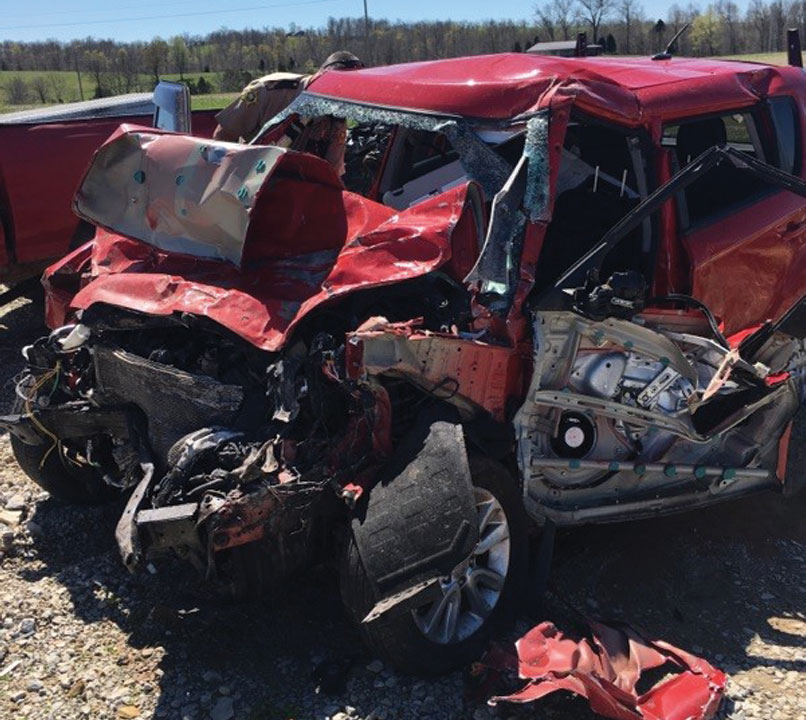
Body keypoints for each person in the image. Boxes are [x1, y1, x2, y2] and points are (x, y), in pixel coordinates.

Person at [213, 51, 363, 143]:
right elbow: (223, 136)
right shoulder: (268, 90)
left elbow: (333, 167)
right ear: (320, 77)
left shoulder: (337, 112)